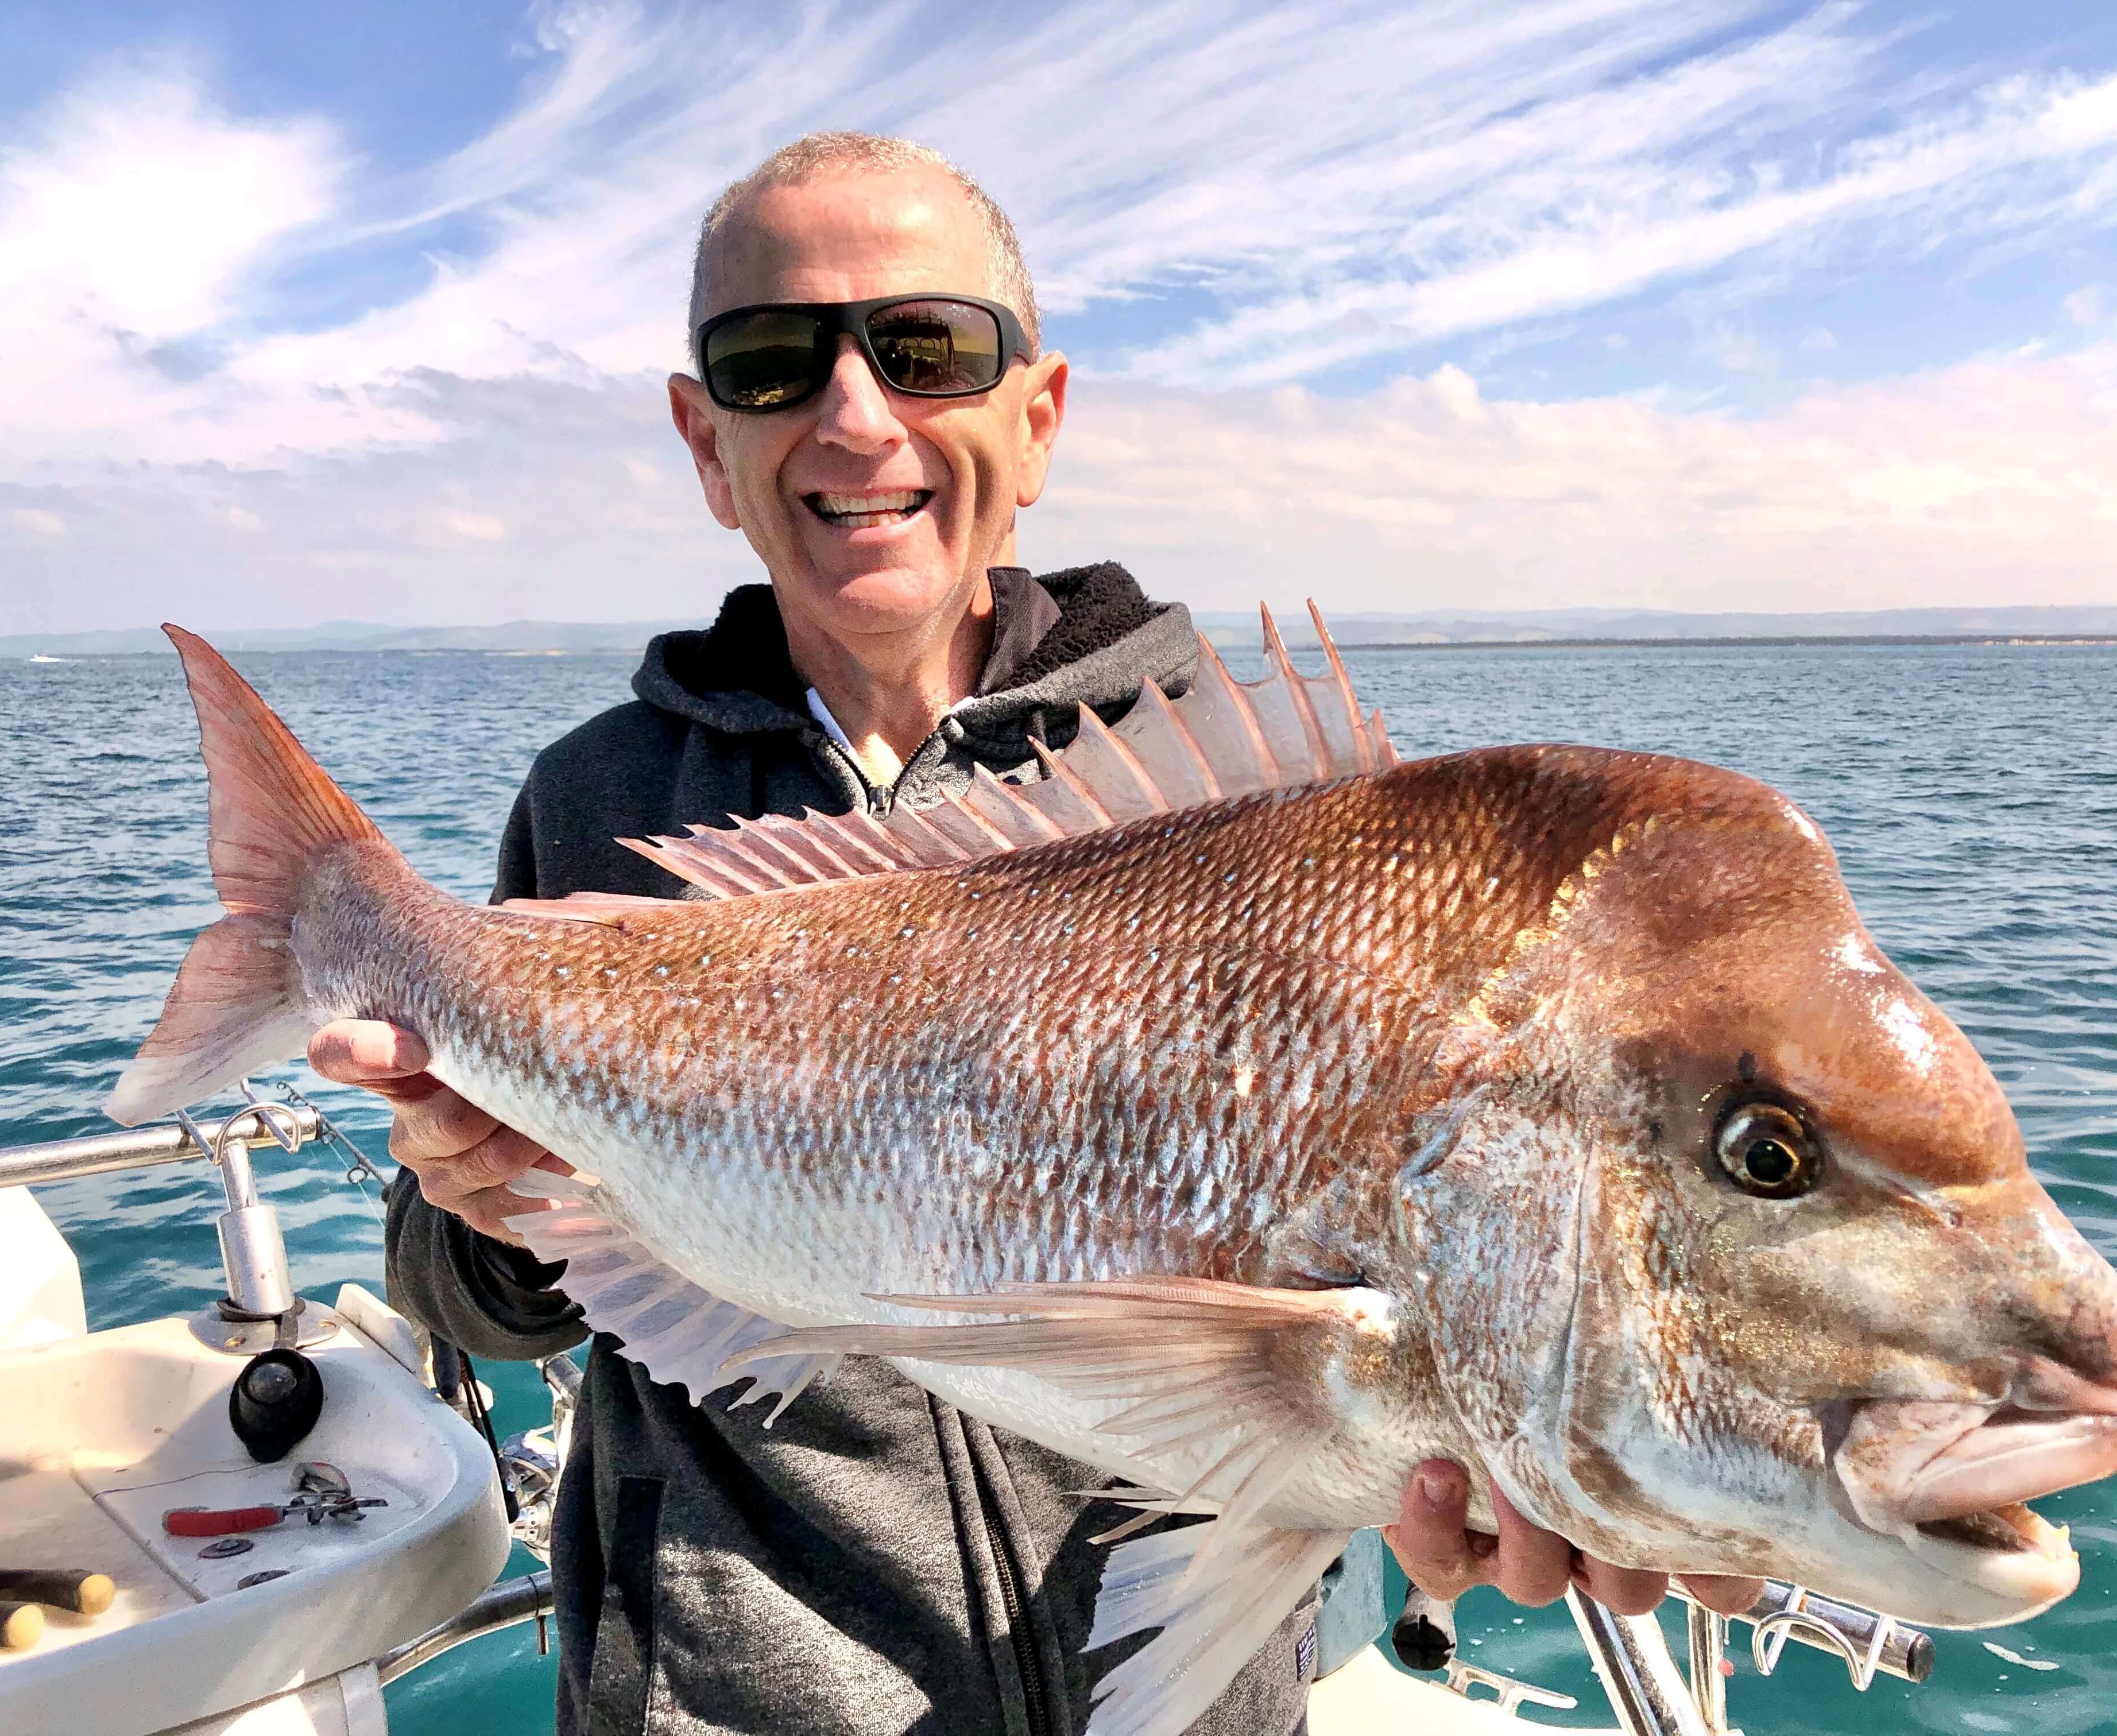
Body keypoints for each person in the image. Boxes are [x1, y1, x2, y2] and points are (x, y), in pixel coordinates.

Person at [311, 131, 1758, 1736]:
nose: (857, 416)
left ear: (1040, 415)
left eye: (928, 348)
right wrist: (499, 1211)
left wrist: (1498, 1448)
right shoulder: (601, 801)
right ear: (705, 442)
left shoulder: (1250, 801)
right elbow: (464, 1296)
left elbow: (1353, 1314)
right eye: (775, 360)